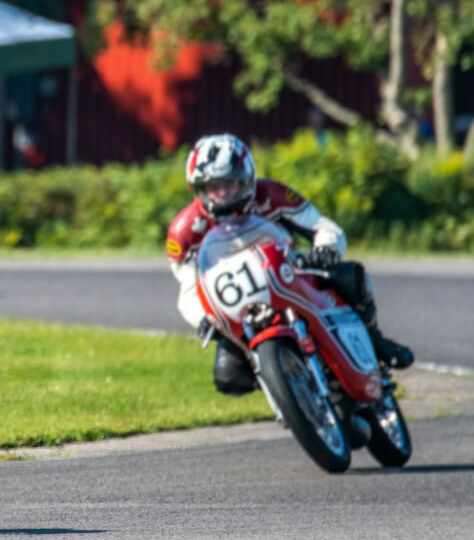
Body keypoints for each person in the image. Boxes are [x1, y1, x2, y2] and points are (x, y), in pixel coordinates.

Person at [166, 134, 414, 396]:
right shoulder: (184, 232)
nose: (222, 193)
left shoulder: (273, 195)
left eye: (230, 184)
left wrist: (325, 250)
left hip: (289, 276)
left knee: (352, 278)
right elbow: (190, 291)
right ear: (197, 189)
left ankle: (373, 339)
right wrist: (203, 320)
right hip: (239, 308)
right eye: (212, 187)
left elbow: (324, 227)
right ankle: (286, 390)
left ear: (247, 179)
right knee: (229, 378)